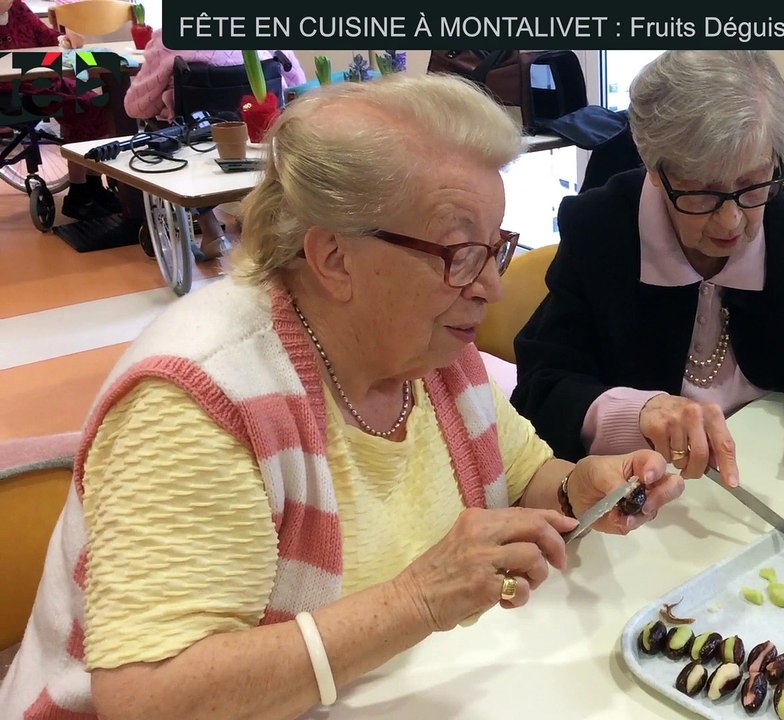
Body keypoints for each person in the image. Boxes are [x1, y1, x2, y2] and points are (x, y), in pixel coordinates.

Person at [0, 73, 685, 719]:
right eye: (458, 253)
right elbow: (147, 699)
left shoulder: (427, 346)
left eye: (493, 248)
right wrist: (416, 600)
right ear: (332, 257)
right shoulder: (201, 402)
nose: (491, 288)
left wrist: (578, 488)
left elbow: (525, 473)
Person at [511, 50, 784, 567]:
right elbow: (541, 386)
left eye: (753, 185)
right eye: (703, 193)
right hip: (634, 526)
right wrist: (641, 410)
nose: (732, 221)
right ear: (655, 170)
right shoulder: (601, 229)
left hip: (765, 502)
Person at [123, 28, 307, 260]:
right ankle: (256, 215)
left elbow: (136, 107)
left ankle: (211, 231)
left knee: (157, 133)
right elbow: (298, 84)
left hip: (198, 135)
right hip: (259, 132)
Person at [0, 0, 120, 218]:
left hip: (42, 82)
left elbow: (45, 35)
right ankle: (77, 192)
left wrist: (64, 38)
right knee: (79, 107)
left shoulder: (17, 8)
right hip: (10, 93)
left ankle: (93, 184)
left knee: (98, 105)